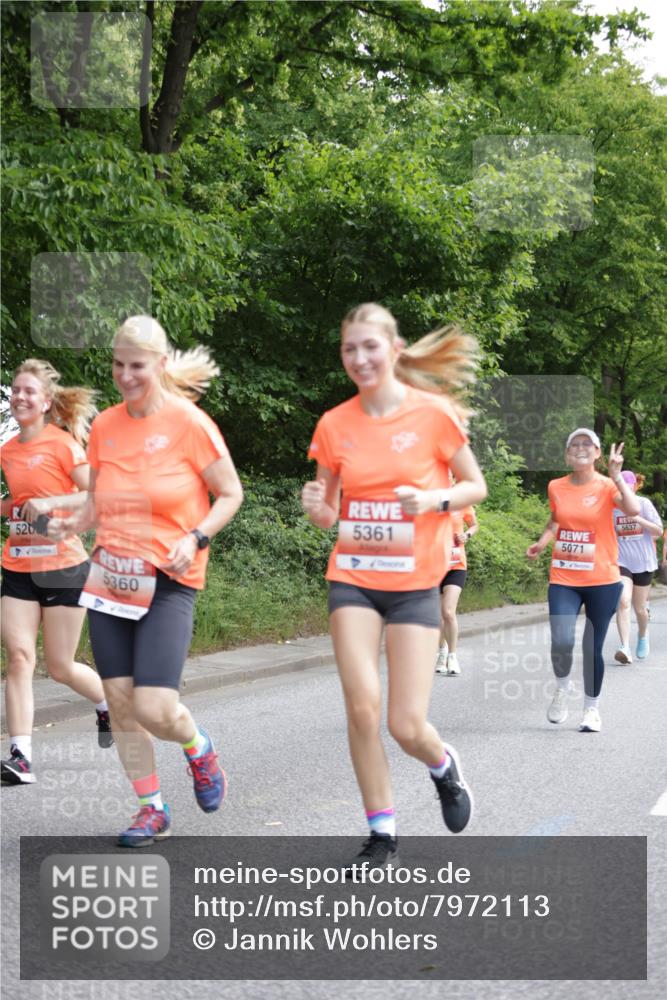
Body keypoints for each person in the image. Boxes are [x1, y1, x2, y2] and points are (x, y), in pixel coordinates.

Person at [302, 302, 487, 869]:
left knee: (405, 725)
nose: (359, 358)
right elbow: (327, 513)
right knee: (361, 708)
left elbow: (474, 486)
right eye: (349, 349)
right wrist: (317, 508)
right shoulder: (334, 425)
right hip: (354, 578)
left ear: (395, 350)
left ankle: (442, 766)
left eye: (369, 346)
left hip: (414, 584)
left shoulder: (433, 415)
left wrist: (434, 499)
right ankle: (381, 833)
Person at [51, 316, 243, 846]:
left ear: (160, 365)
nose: (126, 375)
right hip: (112, 575)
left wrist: (198, 537)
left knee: (156, 707)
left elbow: (230, 494)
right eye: (118, 364)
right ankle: (151, 808)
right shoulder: (107, 426)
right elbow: (97, 503)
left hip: (170, 577)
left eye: (137, 366)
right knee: (119, 703)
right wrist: (74, 521)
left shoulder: (189, 423)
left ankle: (199, 748)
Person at [1, 359, 112, 786]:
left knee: (60, 667)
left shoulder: (64, 445)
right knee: (19, 659)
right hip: (18, 567)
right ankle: (21, 757)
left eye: (29, 391)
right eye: (15, 390)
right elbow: (18, 503)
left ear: (46, 402)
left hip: (64, 567)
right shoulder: (7, 451)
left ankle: (105, 703)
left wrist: (51, 505)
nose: (20, 397)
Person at [526, 428, 640, 733]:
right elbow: (555, 521)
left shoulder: (606, 486)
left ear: (598, 453)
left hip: (602, 578)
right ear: (566, 454)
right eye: (574, 444)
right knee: (562, 639)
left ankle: (591, 709)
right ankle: (562, 688)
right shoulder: (555, 486)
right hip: (564, 576)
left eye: (586, 444)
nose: (580, 448)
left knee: (592, 646)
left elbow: (633, 509)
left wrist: (617, 476)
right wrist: (541, 542)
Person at [613, 470, 662, 662]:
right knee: (623, 601)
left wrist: (638, 519)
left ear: (634, 486)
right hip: (621, 562)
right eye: (620, 487)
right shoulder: (613, 508)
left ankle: (643, 634)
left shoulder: (644, 504)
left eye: (627, 486)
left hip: (643, 563)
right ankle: (624, 647)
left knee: (640, 609)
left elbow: (658, 531)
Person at [435, 500, 478, 676]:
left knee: (448, 612)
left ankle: (452, 656)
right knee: (437, 615)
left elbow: (474, 524)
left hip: (456, 566)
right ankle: (442, 652)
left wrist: (466, 535)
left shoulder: (462, 501)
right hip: (434, 567)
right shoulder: (430, 501)